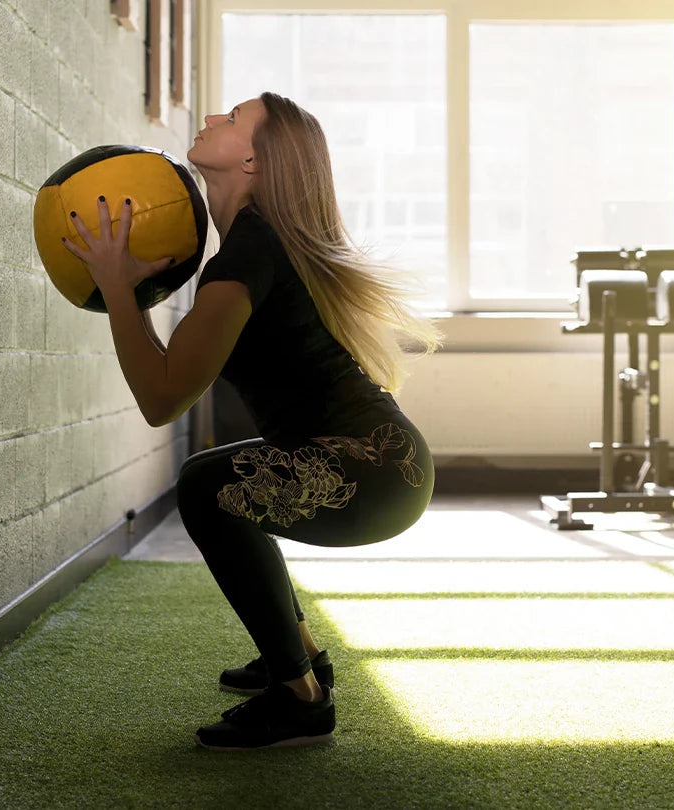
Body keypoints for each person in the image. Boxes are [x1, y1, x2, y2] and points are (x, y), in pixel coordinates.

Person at [61, 91, 442, 750]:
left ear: (254, 162)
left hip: (376, 477)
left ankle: (300, 701)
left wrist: (118, 288)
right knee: (228, 481)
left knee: (205, 487)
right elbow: (168, 382)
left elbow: (160, 399)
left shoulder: (249, 253)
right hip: (387, 469)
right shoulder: (252, 244)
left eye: (233, 119)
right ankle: (300, 658)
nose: (212, 118)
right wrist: (127, 290)